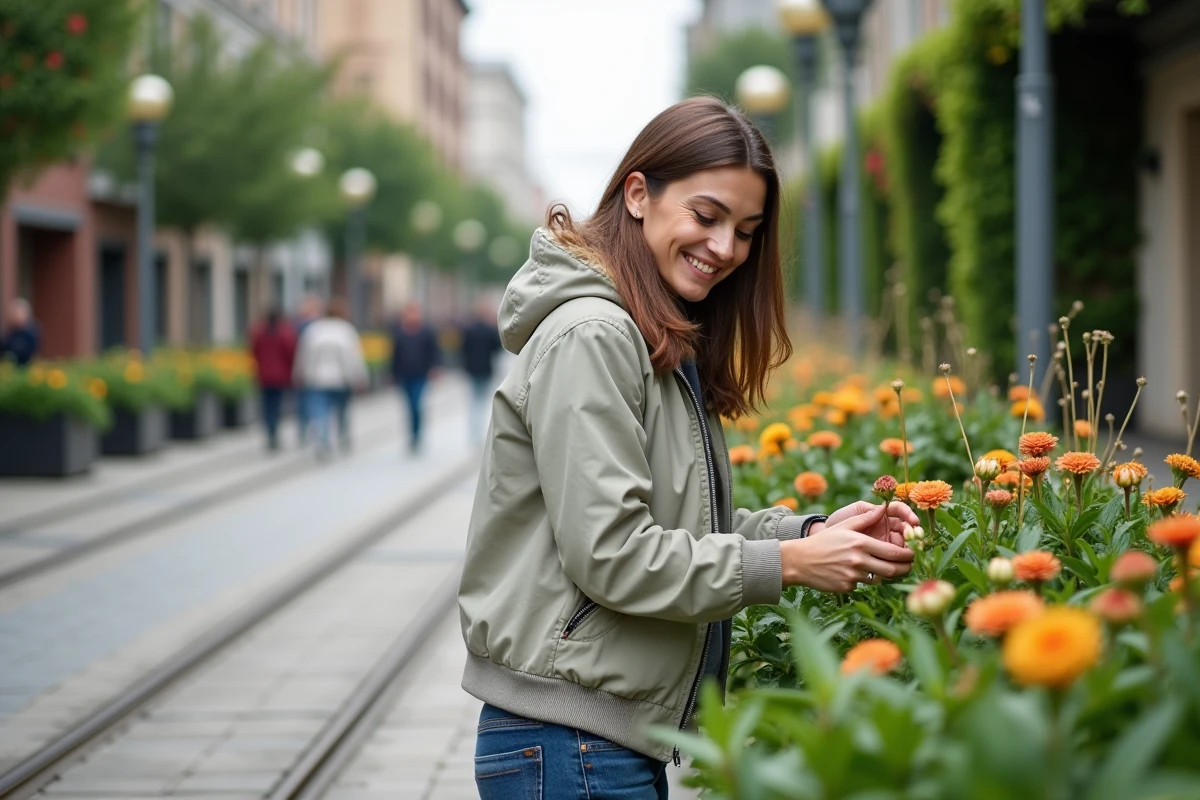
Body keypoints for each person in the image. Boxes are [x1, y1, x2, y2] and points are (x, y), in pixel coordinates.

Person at [458, 97, 919, 799]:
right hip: (571, 744)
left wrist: (812, 533)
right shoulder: (596, 334)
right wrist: (789, 564)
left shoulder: (645, 335)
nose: (727, 248)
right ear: (638, 194)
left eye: (746, 230)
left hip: (589, 743)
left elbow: (669, 529)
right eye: (707, 216)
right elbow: (614, 555)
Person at [292, 298, 367, 460]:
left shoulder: (313, 330)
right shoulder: (346, 330)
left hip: (317, 379)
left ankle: (322, 440)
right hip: (341, 378)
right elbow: (355, 356)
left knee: (320, 411)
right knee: (342, 409)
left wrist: (299, 373)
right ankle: (343, 435)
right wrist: (360, 376)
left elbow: (304, 355)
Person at [389, 301, 441, 453]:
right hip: (404, 374)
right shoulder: (399, 332)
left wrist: (435, 368)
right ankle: (412, 434)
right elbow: (395, 355)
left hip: (420, 373)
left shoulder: (426, 331)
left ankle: (417, 434)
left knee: (416, 404)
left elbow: (434, 352)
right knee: (409, 405)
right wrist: (392, 373)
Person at [249, 309, 297, 452]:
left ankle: (270, 431)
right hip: (280, 376)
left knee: (266, 404)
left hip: (264, 375)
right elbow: (290, 353)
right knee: (276, 404)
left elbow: (253, 350)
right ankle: (274, 430)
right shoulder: (284, 333)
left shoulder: (259, 333)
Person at [458, 298, 503, 442]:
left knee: (474, 400)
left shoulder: (469, 329)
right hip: (486, 369)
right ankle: (480, 430)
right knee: (482, 400)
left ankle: (474, 431)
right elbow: (497, 348)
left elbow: (463, 350)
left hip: (472, 369)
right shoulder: (490, 330)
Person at [292, 294, 323, 446]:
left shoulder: (301, 327)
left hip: (313, 373)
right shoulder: (316, 327)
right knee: (311, 404)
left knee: (308, 403)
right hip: (312, 373)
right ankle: (313, 432)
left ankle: (309, 432)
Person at [0, 298, 40, 366]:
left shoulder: (31, 332)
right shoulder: (10, 333)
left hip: (26, 366)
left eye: (17, 313)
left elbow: (31, 352)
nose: (15, 316)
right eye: (13, 314)